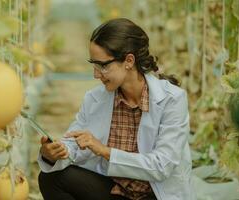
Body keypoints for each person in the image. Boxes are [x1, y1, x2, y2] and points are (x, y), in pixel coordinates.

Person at [37, 18, 195, 200]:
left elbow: (161, 166)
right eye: (94, 65)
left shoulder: (172, 100)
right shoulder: (95, 99)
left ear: (129, 60)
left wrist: (104, 151)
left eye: (103, 65)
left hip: (156, 195)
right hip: (116, 192)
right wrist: (54, 153)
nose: (96, 74)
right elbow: (75, 141)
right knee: (52, 178)